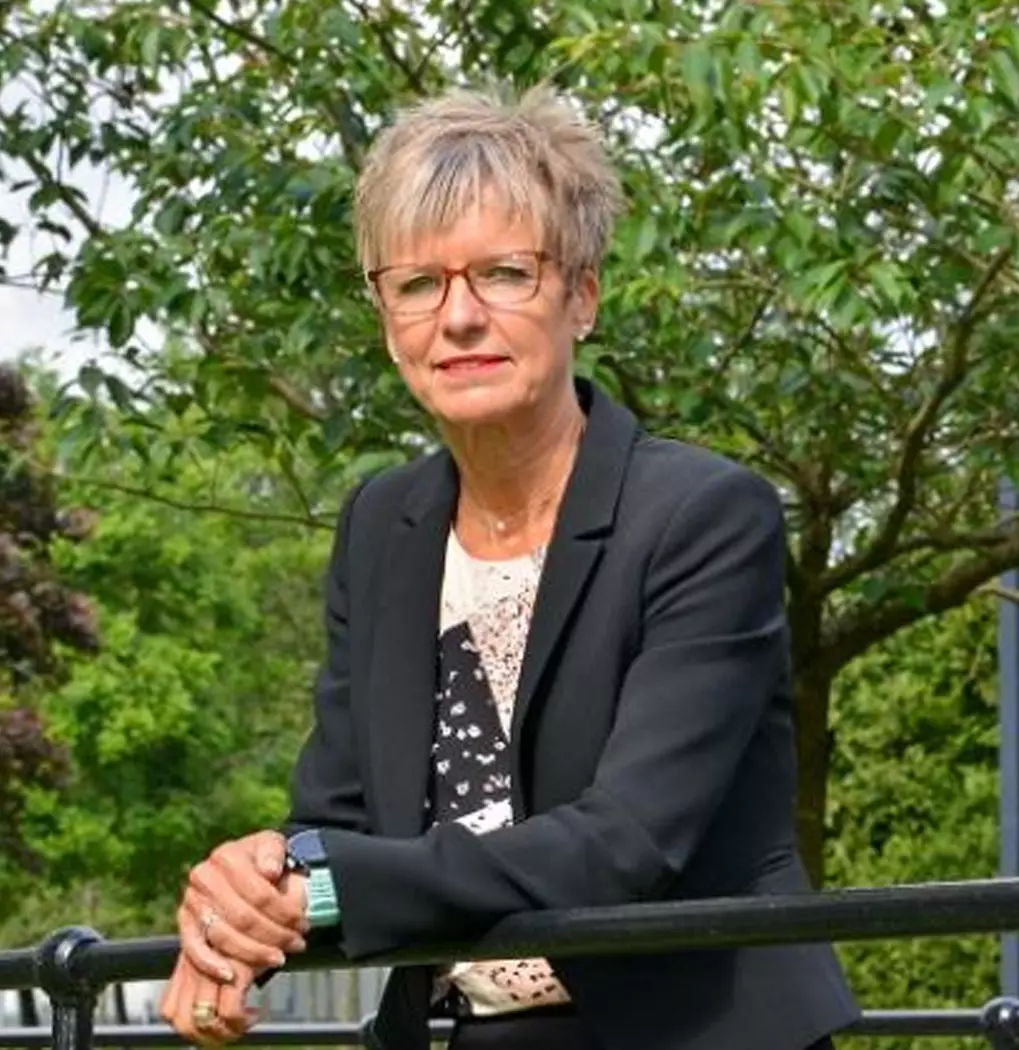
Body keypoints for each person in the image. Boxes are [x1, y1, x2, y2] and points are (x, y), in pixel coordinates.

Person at [160, 84, 859, 1050]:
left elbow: (627, 842)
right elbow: (337, 818)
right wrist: (249, 892)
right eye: (418, 284)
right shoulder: (380, 525)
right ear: (386, 319)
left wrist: (321, 883)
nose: (459, 317)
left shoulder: (705, 515)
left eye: (503, 273)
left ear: (583, 296)